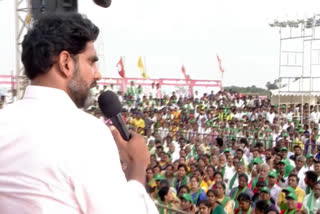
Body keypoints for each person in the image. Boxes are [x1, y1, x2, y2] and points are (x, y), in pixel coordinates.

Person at [0, 13, 157, 213]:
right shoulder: (86, 132)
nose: (97, 73)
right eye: (91, 62)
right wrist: (137, 166)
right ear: (66, 62)